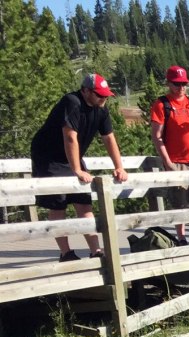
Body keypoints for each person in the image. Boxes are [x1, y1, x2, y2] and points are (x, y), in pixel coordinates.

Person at [30, 73, 129, 262]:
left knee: (84, 203)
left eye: (106, 95)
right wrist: (77, 170)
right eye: (99, 95)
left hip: (72, 156)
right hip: (49, 157)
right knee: (58, 204)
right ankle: (66, 253)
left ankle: (96, 251)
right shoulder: (72, 102)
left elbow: (109, 138)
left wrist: (119, 167)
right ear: (85, 91)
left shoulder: (101, 109)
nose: (104, 98)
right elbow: (70, 137)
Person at [150, 65, 189, 245]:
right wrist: (167, 162)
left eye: (184, 84)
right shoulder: (162, 104)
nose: (181, 88)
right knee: (179, 200)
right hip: (177, 159)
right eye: (177, 84)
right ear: (169, 83)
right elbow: (156, 136)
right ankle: (181, 237)